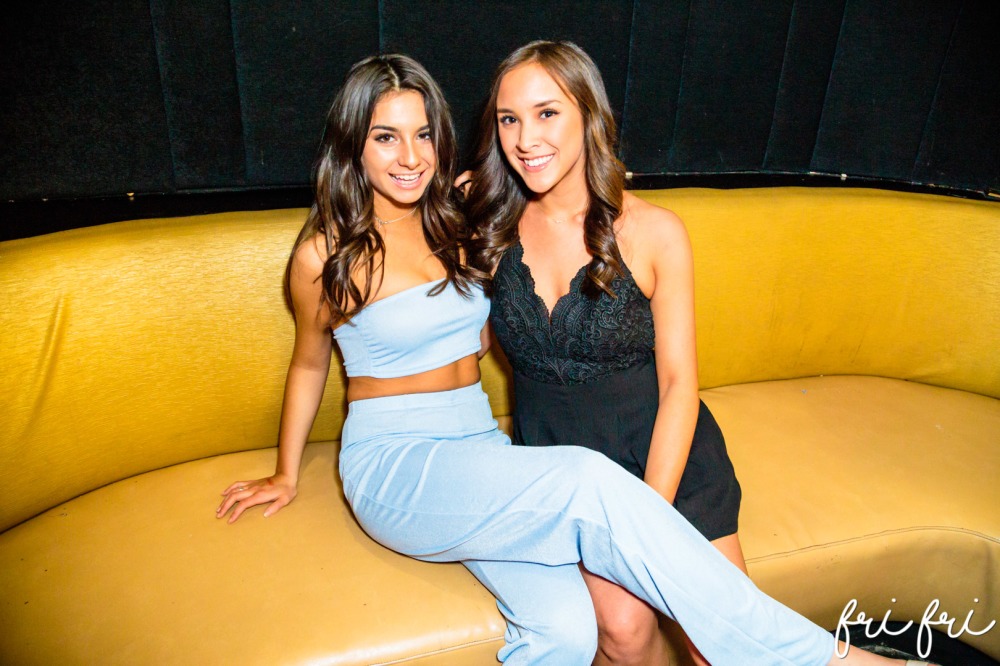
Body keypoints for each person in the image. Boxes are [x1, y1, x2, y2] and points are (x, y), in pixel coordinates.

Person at [214, 52, 933, 666]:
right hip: (397, 461)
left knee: (566, 628)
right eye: (385, 137)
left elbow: (557, 200)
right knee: (589, 486)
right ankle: (831, 659)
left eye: (424, 134)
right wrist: (286, 471)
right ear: (353, 146)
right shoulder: (327, 255)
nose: (410, 156)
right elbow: (309, 364)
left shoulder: (458, 220)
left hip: (479, 446)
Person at [464, 40, 741, 665]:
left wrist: (648, 518)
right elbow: (461, 345)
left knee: (718, 645)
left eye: (547, 113)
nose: (525, 139)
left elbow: (679, 385)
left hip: (663, 457)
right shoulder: (489, 225)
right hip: (560, 465)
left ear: (589, 115)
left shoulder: (655, 231)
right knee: (622, 632)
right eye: (509, 119)